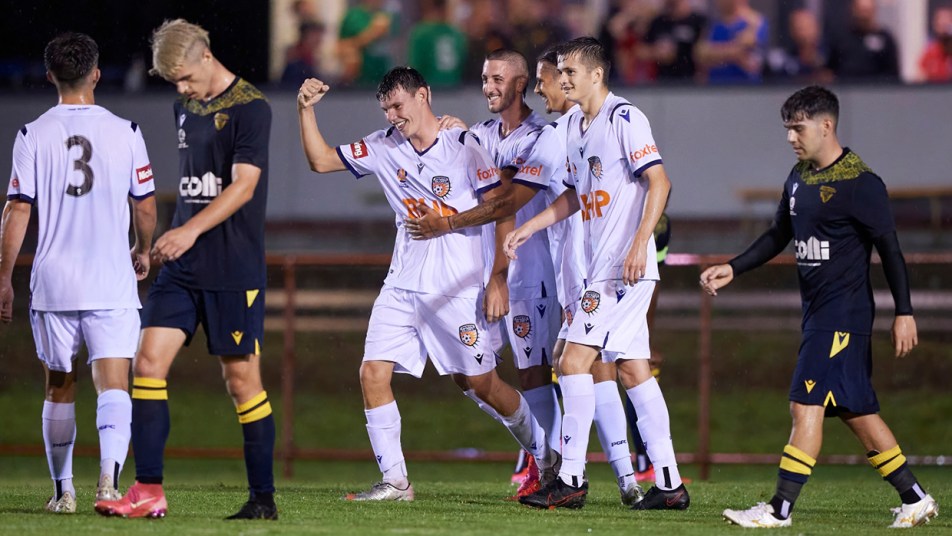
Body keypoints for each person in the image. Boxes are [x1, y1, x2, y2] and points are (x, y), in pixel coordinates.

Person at [296, 65, 557, 501]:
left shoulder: (464, 145)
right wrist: (305, 110)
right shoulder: (382, 146)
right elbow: (321, 160)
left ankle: (548, 457)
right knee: (372, 372)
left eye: (398, 105)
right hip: (402, 284)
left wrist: (498, 278)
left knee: (481, 384)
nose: (392, 116)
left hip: (457, 288)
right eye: (385, 109)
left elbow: (501, 209)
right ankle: (396, 481)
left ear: (423, 95)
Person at [703, 86, 938, 529]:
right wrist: (733, 268)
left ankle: (779, 509)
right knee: (857, 412)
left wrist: (903, 312)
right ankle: (916, 498)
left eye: (798, 128)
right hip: (819, 315)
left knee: (804, 405)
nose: (791, 137)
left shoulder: (861, 183)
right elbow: (778, 234)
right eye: (787, 129)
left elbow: (891, 251)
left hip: (842, 316)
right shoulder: (799, 177)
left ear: (826, 125)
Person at [94, 19, 276, 520]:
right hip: (181, 267)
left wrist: (193, 229)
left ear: (205, 56)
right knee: (147, 363)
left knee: (242, 383)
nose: (180, 89)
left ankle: (263, 498)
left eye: (184, 77)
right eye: (172, 81)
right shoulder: (185, 106)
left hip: (232, 268)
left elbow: (243, 187)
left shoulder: (252, 108)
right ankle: (148, 488)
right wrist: (174, 234)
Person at [506, 36, 688, 511]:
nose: (563, 79)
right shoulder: (572, 125)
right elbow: (572, 195)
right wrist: (533, 228)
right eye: (560, 72)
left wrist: (638, 244)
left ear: (595, 75)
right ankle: (669, 484)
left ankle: (570, 479)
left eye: (569, 72)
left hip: (620, 270)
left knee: (569, 360)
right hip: (602, 270)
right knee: (632, 369)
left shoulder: (624, 117)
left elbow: (659, 181)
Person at [0, 32, 157, 513]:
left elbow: (17, 211)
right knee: (114, 382)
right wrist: (143, 248)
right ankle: (108, 485)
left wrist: (4, 278)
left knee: (59, 385)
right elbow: (145, 205)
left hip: (55, 283)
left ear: (50, 76)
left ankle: (62, 491)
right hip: (110, 279)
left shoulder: (32, 133)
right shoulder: (126, 131)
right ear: (96, 74)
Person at [694, 0, 768, 84]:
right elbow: (700, 54)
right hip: (716, 88)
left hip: (746, 88)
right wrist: (733, 53)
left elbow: (745, 49)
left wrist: (713, 54)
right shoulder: (714, 25)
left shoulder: (755, 21)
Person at [825, 0, 899, 82]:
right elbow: (830, 69)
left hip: (876, 90)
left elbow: (893, 74)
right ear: (853, 10)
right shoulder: (840, 37)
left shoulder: (885, 39)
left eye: (867, 11)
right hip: (845, 89)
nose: (864, 16)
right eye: (861, 11)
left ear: (874, 11)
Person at [640, 0, 708, 82]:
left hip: (690, 81)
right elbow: (640, 50)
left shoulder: (698, 21)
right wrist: (656, 52)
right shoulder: (658, 22)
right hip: (661, 81)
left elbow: (703, 51)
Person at [406, 0, 467, 88]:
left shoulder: (420, 33)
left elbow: (415, 68)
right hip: (455, 90)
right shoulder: (456, 33)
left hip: (430, 90)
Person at [338, 0, 395, 87]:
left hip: (383, 75)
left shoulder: (387, 15)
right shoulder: (354, 16)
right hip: (359, 78)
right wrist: (373, 32)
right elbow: (342, 46)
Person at [918, 7, 952, 83]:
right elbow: (920, 74)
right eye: (941, 25)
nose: (945, 29)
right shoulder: (930, 51)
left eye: (947, 24)